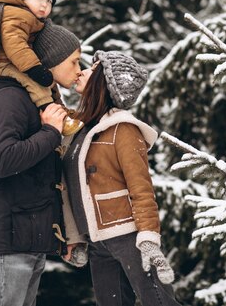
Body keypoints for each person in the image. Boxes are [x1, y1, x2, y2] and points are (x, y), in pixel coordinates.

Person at [0, 22, 84, 306]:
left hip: (28, 237)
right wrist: (50, 133)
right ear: (51, 62)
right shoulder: (8, 98)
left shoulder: (36, 99)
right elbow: (2, 160)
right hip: (10, 240)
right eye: (73, 61)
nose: (78, 69)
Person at [62, 51, 181, 306]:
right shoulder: (80, 129)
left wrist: (148, 238)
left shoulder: (123, 128)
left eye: (92, 68)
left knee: (160, 302)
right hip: (97, 242)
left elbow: (141, 187)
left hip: (128, 236)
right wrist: (75, 237)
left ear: (103, 81)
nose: (81, 71)